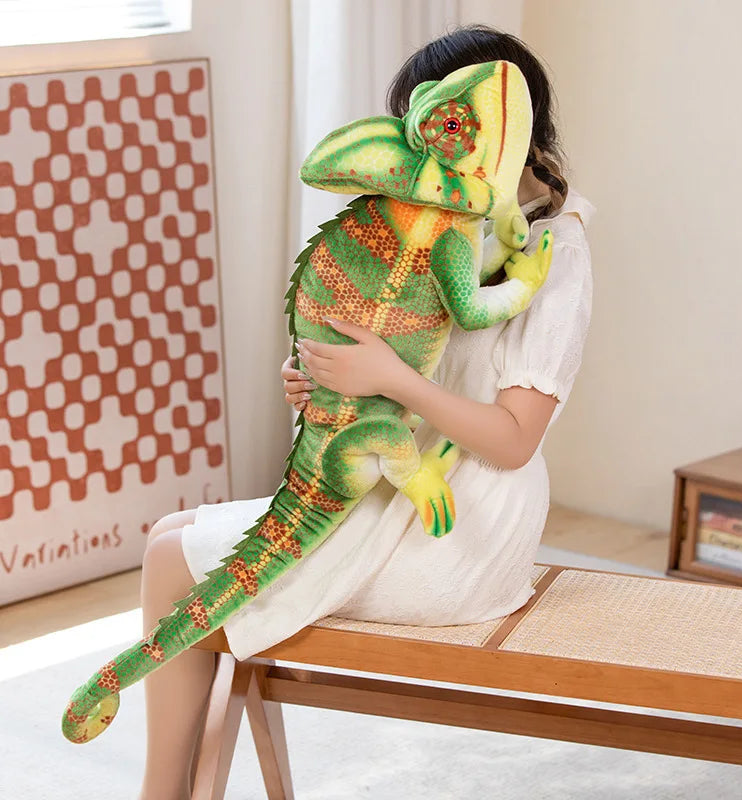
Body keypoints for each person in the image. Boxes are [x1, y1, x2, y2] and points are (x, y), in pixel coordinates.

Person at [137, 24, 594, 800]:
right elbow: (404, 352)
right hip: (402, 483)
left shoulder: (559, 250)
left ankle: (159, 795)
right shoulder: (446, 220)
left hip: (463, 527)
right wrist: (328, 381)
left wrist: (391, 377)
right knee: (170, 535)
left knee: (169, 560)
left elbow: (514, 441)